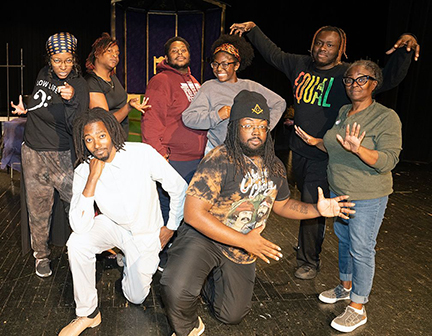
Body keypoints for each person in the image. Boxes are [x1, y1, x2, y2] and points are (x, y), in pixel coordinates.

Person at [230, 21, 419, 279]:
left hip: (326, 154)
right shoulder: (299, 65)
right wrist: (253, 30)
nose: (323, 48)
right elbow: (273, 53)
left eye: (330, 45)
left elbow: (387, 78)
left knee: (312, 205)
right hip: (299, 150)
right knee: (303, 202)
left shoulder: (346, 76)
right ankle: (308, 247)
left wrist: (405, 51)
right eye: (319, 43)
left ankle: (308, 261)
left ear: (340, 50)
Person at [160, 90, 355, 336]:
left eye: (262, 126)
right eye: (248, 125)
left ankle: (207, 282)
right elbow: (193, 215)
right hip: (205, 237)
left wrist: (317, 209)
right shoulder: (219, 159)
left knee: (231, 315)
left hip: (241, 248)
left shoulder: (274, 166)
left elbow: (282, 205)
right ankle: (187, 327)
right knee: (176, 287)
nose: (256, 132)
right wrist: (246, 241)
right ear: (234, 128)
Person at [59, 108, 187, 336]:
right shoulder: (83, 170)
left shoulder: (141, 154)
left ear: (112, 132)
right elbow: (78, 225)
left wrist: (171, 227)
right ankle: (88, 313)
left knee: (136, 297)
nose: (96, 144)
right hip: (112, 227)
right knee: (77, 242)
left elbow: (178, 187)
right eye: (88, 139)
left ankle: (129, 260)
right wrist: (93, 178)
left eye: (101, 135)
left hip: (145, 234)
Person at [294, 60, 401, 332]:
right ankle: (345, 286)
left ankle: (358, 307)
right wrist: (315, 142)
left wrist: (360, 150)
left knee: (361, 248)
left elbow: (388, 160)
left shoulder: (385, 116)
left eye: (362, 79)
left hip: (367, 195)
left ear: (374, 83)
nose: (354, 84)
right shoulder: (344, 111)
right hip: (339, 194)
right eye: (350, 80)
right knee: (344, 242)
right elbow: (337, 146)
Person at [11, 32, 89, 277]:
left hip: (62, 156)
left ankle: (85, 249)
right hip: (33, 153)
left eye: (67, 60)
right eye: (57, 60)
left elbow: (76, 125)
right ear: (49, 59)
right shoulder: (43, 75)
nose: (62, 66)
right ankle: (41, 256)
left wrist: (71, 101)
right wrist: (27, 106)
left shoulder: (79, 85)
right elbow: (39, 101)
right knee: (38, 209)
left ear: (74, 59)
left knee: (76, 206)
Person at [141, 36, 207, 269]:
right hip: (174, 158)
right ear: (166, 57)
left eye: (183, 49)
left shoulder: (195, 81)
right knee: (168, 209)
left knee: (187, 209)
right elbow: (151, 120)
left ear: (190, 54)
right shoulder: (161, 81)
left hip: (196, 159)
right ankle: (159, 255)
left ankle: (180, 253)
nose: (179, 53)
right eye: (174, 50)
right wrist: (160, 156)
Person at [182, 33, 286, 154]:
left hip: (247, 153)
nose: (219, 68)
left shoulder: (251, 86)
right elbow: (189, 118)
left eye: (225, 64)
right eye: (215, 64)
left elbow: (279, 103)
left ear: (236, 65)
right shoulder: (209, 87)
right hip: (218, 150)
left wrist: (262, 129)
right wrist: (217, 115)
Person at [86, 32, 149, 137]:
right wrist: (128, 107)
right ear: (96, 54)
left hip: (120, 138)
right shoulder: (92, 83)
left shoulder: (113, 77)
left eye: (117, 53)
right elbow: (105, 121)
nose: (115, 55)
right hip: (104, 142)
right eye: (109, 51)